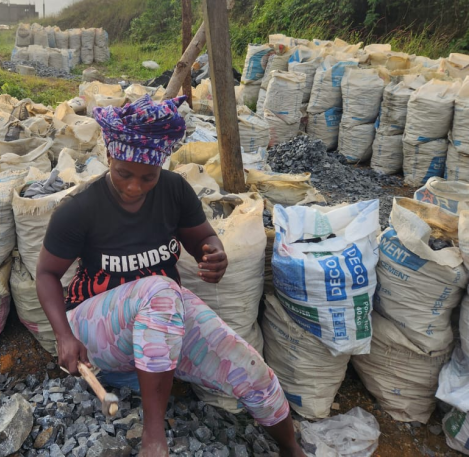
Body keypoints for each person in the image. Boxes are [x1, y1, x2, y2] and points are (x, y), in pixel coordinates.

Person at [36, 95, 306, 457]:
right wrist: (64, 336)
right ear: (110, 157)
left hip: (159, 328)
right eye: (124, 174)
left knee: (249, 367)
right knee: (161, 291)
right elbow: (46, 274)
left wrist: (215, 254)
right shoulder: (81, 210)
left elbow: (203, 239)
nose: (134, 187)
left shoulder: (174, 190)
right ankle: (153, 437)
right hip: (95, 330)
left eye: (147, 177)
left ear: (161, 166)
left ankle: (292, 450)